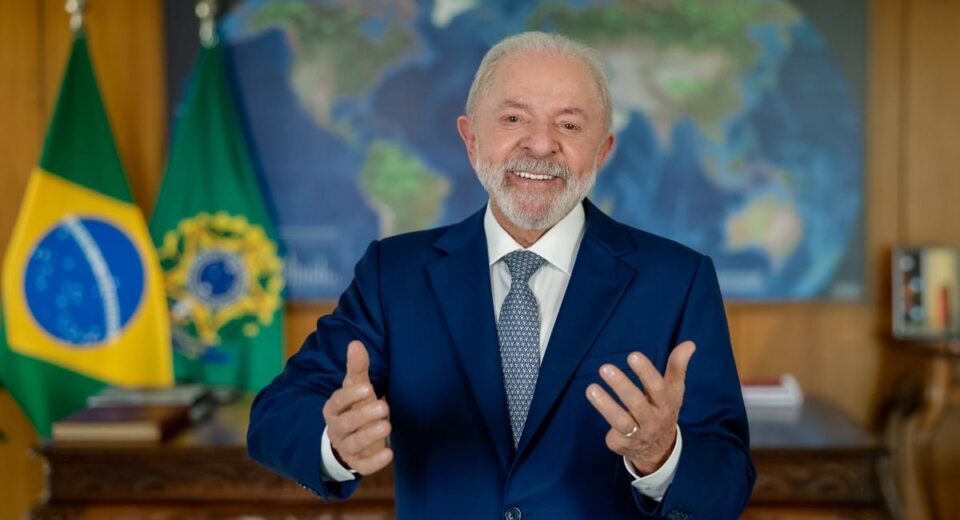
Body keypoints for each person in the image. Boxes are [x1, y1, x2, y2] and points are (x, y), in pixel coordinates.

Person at [248, 31, 754, 519]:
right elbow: (275, 415)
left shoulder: (676, 281)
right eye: (514, 118)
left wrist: (663, 457)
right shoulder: (394, 274)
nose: (541, 145)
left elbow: (727, 482)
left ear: (602, 150)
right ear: (471, 139)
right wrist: (335, 442)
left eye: (569, 125)